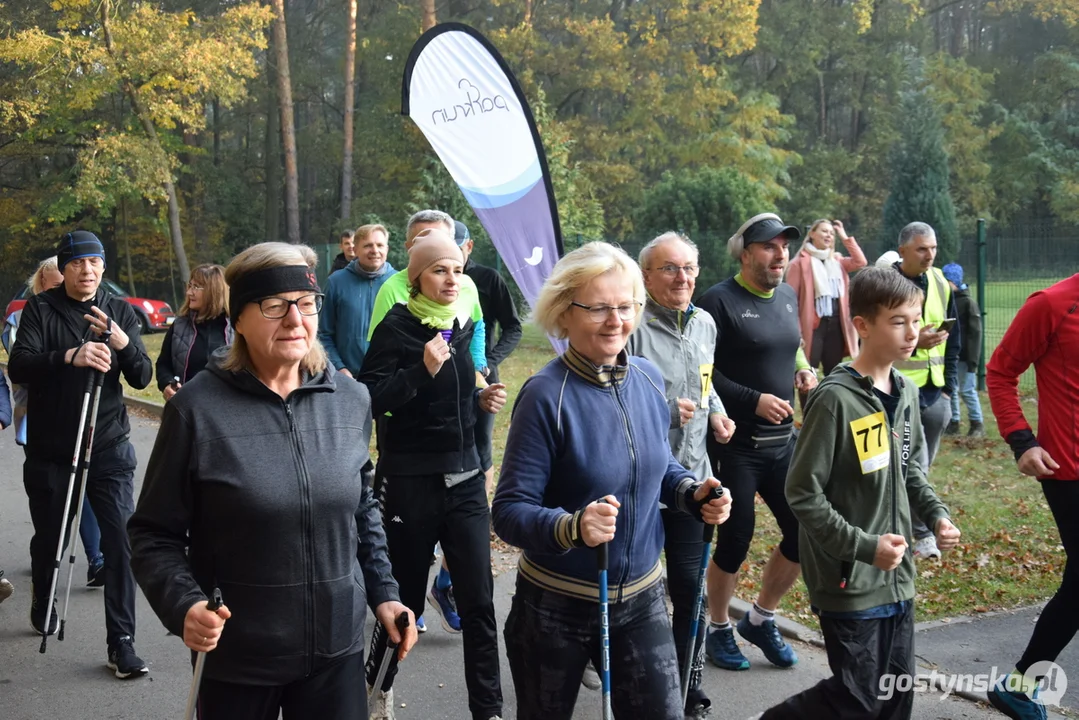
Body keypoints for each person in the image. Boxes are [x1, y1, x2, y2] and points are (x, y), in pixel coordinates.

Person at [128, 242, 416, 719]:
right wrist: (184, 606)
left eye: (305, 304)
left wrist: (384, 593)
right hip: (238, 658)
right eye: (273, 306)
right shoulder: (197, 411)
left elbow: (361, 506)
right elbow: (151, 533)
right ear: (238, 319)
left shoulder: (348, 400)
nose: (294, 320)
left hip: (336, 652)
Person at [492, 241, 732, 720]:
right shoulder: (545, 396)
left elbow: (658, 465)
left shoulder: (645, 377)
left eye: (625, 307)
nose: (615, 320)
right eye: (599, 308)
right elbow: (510, 511)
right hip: (555, 607)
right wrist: (573, 526)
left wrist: (691, 492)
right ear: (564, 312)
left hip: (641, 601)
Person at [759, 266, 961, 720]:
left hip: (897, 578)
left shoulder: (905, 392)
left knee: (895, 695)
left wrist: (937, 515)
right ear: (864, 325)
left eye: (915, 319)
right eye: (898, 321)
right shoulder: (835, 399)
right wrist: (864, 548)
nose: (913, 332)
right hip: (850, 580)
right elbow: (802, 491)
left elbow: (910, 470)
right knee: (856, 698)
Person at [359, 228, 508, 720]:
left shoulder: (462, 323)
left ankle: (486, 709)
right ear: (416, 277)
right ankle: (379, 691)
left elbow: (456, 391)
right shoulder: (397, 328)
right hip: (410, 482)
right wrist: (419, 371)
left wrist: (478, 396)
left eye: (457, 271)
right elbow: (371, 400)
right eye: (439, 270)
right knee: (401, 605)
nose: (451, 279)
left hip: (465, 479)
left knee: (480, 607)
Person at [8, 230, 152, 677]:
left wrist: (119, 341)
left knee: (120, 543)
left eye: (94, 263)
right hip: (52, 449)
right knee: (51, 537)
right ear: (64, 268)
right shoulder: (41, 309)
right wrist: (71, 355)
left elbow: (143, 375)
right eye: (77, 264)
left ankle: (121, 643)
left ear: (103, 268)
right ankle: (43, 594)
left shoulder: (120, 312)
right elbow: (20, 364)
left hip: (107, 443)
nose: (87, 271)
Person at [695, 213, 817, 673]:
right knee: (736, 538)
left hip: (782, 442)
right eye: (768, 246)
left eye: (784, 246)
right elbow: (703, 370)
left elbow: (794, 344)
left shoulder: (786, 295)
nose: (779, 253)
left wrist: (803, 369)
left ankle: (761, 618)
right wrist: (752, 400)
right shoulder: (718, 301)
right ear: (745, 253)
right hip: (736, 445)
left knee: (806, 531)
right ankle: (720, 628)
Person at [626, 231, 736, 718]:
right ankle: (623, 670)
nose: (682, 277)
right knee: (634, 591)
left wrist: (716, 413)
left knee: (689, 588)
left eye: (689, 267)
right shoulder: (630, 326)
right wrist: (668, 413)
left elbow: (706, 385)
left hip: (694, 481)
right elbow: (616, 405)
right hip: (640, 483)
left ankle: (687, 687)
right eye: (670, 268)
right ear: (646, 275)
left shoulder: (706, 324)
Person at [985, 273, 1079, 720]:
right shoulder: (1052, 304)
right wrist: (1022, 440)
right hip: (1068, 468)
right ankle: (1020, 685)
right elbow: (1001, 371)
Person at [4, 256, 107, 587]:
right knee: (53, 501)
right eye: (54, 283)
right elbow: (20, 366)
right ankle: (47, 557)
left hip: (83, 420)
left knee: (86, 491)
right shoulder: (26, 316)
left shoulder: (91, 313)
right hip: (38, 421)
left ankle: (97, 558)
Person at [889, 222, 960, 560]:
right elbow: (874, 340)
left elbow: (954, 338)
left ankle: (918, 532)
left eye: (933, 248)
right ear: (902, 250)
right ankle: (911, 532)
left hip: (934, 393)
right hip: (896, 391)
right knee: (895, 466)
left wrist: (949, 390)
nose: (929, 255)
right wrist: (917, 343)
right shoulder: (886, 285)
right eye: (921, 249)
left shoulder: (940, 284)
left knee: (921, 467)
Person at [367, 210, 487, 375]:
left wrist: (478, 375)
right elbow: (377, 367)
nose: (452, 280)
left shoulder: (466, 284)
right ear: (409, 247)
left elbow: (477, 327)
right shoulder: (391, 289)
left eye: (442, 240)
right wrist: (422, 372)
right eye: (423, 239)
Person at [459, 220, 523, 493]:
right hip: (444, 374)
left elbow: (514, 326)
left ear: (469, 246)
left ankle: (481, 511)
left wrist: (490, 361)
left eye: (455, 246)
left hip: (482, 376)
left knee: (482, 444)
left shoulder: (488, 279)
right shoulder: (430, 278)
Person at [784, 219, 867, 410]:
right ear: (812, 234)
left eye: (831, 232)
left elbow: (860, 261)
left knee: (833, 372)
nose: (829, 235)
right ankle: (808, 416)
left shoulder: (837, 260)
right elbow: (790, 300)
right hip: (812, 327)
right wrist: (796, 331)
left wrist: (844, 236)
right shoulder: (799, 263)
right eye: (824, 231)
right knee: (808, 372)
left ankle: (831, 413)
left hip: (837, 326)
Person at [319, 223, 394, 378]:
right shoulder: (336, 282)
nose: (375, 250)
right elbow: (323, 333)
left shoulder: (399, 283)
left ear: (387, 249)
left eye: (380, 245)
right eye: (368, 245)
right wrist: (340, 368)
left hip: (389, 378)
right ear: (356, 250)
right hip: (347, 378)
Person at [155, 263, 231, 401]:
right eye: (190, 286)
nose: (189, 292)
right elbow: (163, 364)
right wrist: (166, 383)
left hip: (227, 413)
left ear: (214, 291)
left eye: (196, 287)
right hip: (186, 410)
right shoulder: (179, 325)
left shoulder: (238, 328)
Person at [941, 262, 984, 437]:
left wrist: (973, 361)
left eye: (948, 281)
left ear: (956, 282)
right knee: (951, 388)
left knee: (967, 390)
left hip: (966, 357)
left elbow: (975, 334)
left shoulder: (968, 303)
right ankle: (954, 423)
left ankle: (977, 424)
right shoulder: (946, 300)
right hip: (951, 355)